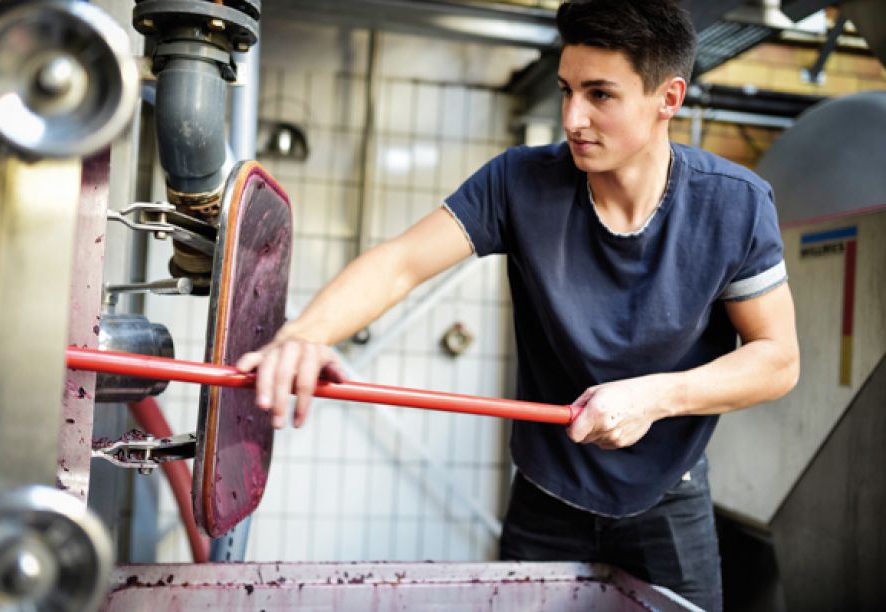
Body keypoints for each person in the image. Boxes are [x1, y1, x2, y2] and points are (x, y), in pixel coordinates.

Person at [237, 1, 799, 609]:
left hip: (668, 497)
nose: (573, 117)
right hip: (545, 494)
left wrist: (653, 398)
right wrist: (305, 334)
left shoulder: (735, 205)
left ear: (668, 97)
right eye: (565, 90)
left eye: (600, 95)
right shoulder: (519, 182)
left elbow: (777, 359)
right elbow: (401, 262)